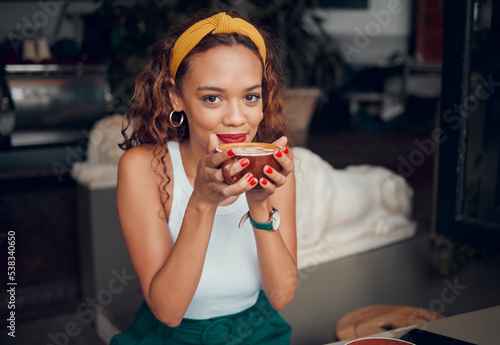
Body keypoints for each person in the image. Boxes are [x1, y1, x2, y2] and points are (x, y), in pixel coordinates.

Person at [111, 9, 297, 345]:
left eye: (250, 97)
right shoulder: (142, 167)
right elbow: (168, 310)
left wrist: (259, 204)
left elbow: (282, 295)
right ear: (175, 96)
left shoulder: (276, 165)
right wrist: (203, 200)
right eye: (213, 98)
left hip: (258, 332)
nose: (237, 119)